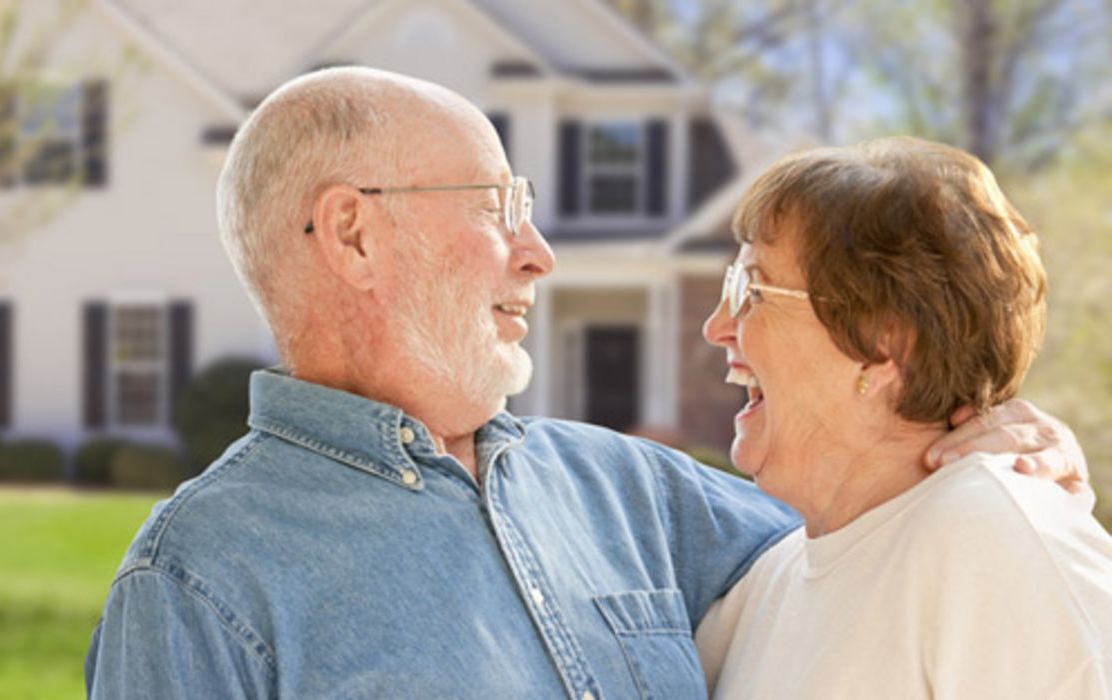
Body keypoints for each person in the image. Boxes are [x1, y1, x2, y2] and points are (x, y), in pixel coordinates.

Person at [84, 68, 1085, 698]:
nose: (539, 252)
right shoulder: (195, 588)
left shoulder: (633, 493)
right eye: (496, 205)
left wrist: (994, 436)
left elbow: (877, 527)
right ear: (352, 232)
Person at [693, 137, 1112, 698]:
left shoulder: (991, 538)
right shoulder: (764, 586)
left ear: (884, 341)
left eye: (753, 290)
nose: (717, 326)